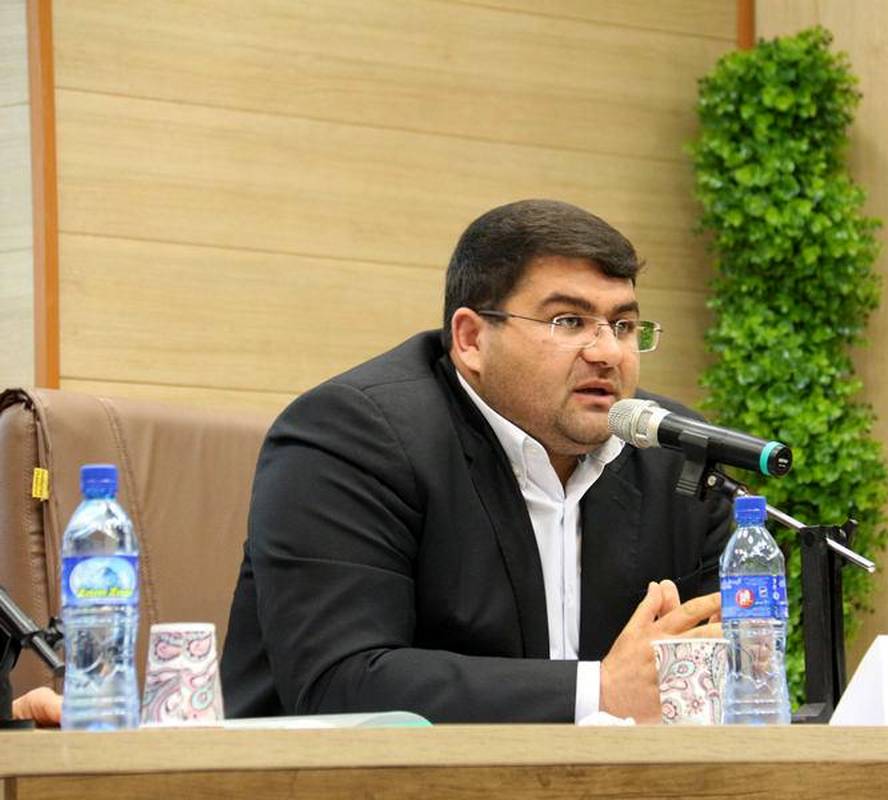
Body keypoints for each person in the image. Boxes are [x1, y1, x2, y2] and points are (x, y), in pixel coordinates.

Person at [220, 199, 732, 723]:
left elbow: (728, 672)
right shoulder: (353, 435)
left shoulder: (676, 457)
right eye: (569, 321)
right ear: (471, 339)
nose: (608, 353)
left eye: (623, 326)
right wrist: (597, 691)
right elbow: (339, 683)